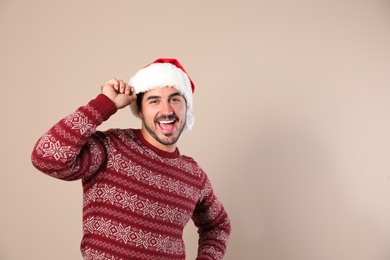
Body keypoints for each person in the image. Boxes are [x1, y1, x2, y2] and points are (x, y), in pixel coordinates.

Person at [31, 58, 231, 260]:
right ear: (140, 110)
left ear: (186, 108)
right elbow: (46, 157)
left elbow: (218, 225)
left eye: (175, 99)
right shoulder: (111, 147)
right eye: (154, 101)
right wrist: (104, 103)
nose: (167, 110)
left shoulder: (193, 174)